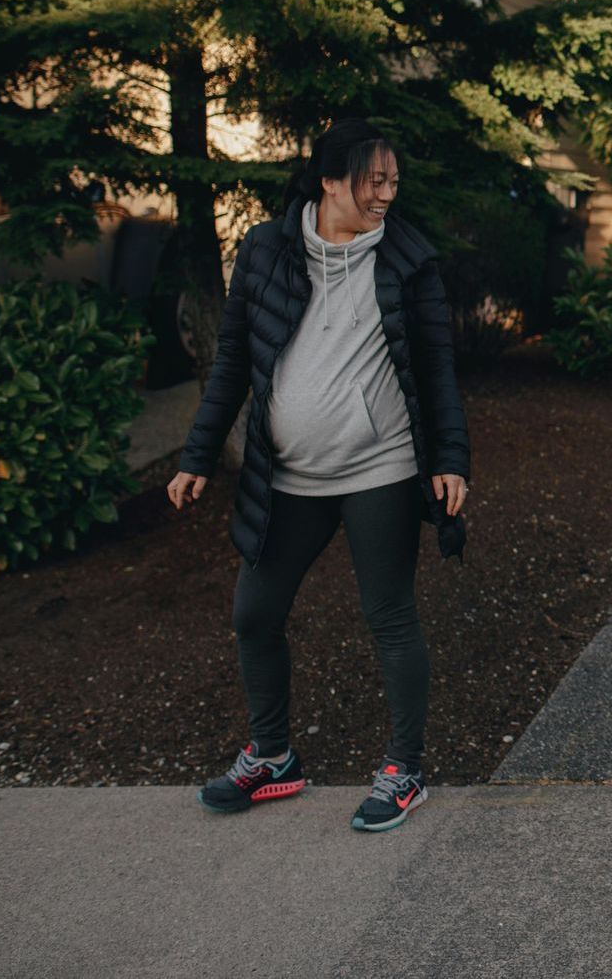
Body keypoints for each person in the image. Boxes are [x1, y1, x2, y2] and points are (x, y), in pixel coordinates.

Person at [169, 118, 470, 833]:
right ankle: (273, 755)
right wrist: (197, 456)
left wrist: (452, 458)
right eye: (375, 180)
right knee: (254, 611)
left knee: (389, 616)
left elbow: (436, 370)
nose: (387, 194)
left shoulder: (405, 258)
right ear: (330, 179)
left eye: (394, 181)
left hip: (381, 467)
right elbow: (234, 361)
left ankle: (405, 768)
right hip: (290, 475)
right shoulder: (269, 251)